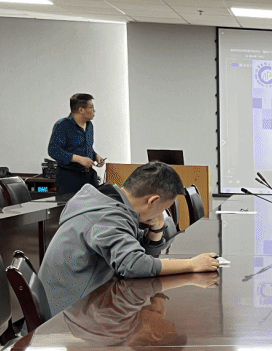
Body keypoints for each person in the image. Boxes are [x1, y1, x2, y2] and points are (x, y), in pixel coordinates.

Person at [40, 160, 221, 314]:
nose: (162, 213)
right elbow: (135, 265)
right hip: (69, 312)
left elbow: (136, 251)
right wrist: (192, 264)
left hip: (84, 300)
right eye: (164, 208)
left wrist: (156, 230)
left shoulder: (110, 201)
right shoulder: (107, 216)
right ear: (152, 201)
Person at [48, 92, 106, 195]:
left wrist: (95, 156)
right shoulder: (62, 125)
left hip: (88, 176)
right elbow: (54, 151)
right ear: (81, 110)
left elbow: (86, 147)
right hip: (69, 178)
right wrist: (79, 159)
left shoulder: (89, 126)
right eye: (91, 107)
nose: (94, 111)